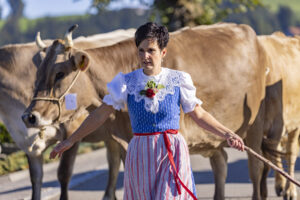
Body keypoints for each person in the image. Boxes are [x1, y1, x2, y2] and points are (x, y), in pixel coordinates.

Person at [50, 22, 244, 200]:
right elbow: (99, 114)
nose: (145, 56)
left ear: (163, 52)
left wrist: (227, 133)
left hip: (172, 152)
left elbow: (199, 114)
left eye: (151, 50)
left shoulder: (179, 80)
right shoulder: (126, 82)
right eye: (141, 51)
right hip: (140, 153)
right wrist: (70, 140)